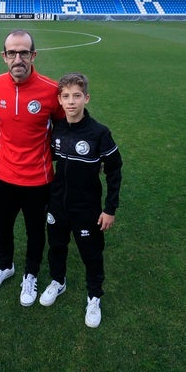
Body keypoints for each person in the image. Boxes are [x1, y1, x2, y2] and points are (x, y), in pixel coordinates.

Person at [0, 29, 65, 307]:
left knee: (34, 231)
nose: (17, 58)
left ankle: (30, 274)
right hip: (3, 175)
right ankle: (6, 266)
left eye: (23, 52)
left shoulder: (51, 90)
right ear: (3, 56)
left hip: (38, 179)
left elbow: (64, 129)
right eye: (11, 52)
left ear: (33, 55)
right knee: (2, 227)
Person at [38, 72, 123, 328]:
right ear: (60, 100)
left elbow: (114, 170)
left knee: (91, 254)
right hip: (57, 205)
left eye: (77, 96)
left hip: (86, 209)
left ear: (86, 98)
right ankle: (58, 281)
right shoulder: (57, 129)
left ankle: (94, 296)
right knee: (56, 246)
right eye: (65, 96)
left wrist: (110, 209)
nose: (71, 101)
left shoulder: (99, 133)